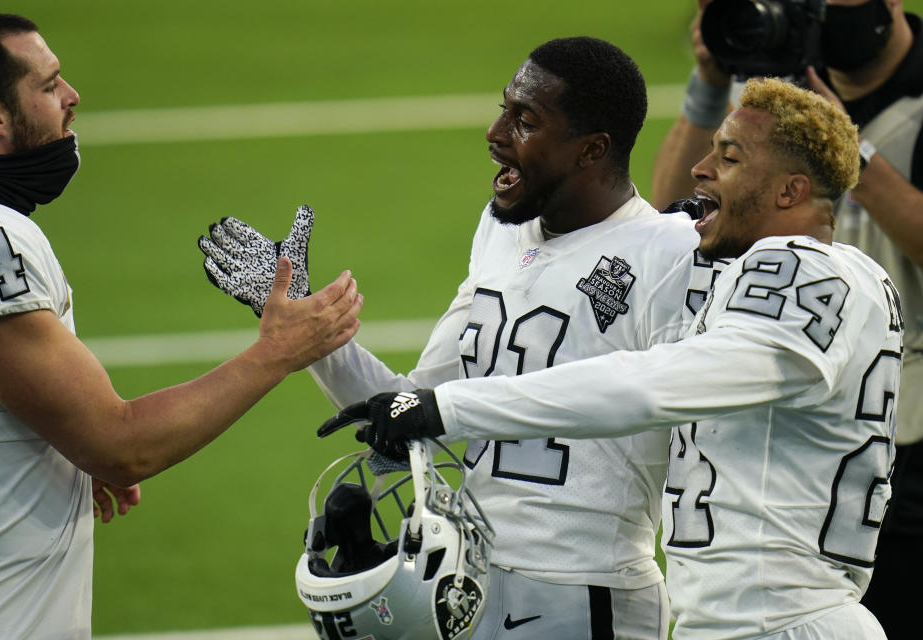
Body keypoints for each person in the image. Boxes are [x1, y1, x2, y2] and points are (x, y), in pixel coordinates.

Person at [328, 77, 902, 639]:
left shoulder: (805, 269)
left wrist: (448, 407)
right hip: (741, 618)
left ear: (789, 192)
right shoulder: (799, 279)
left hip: (781, 620)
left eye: (728, 159)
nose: (701, 170)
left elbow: (652, 386)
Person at [201, 37, 727, 640]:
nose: (495, 132)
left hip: (589, 593)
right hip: (470, 587)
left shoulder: (674, 251)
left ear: (592, 150)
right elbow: (413, 405)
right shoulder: (503, 232)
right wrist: (307, 327)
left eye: (525, 121)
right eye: (505, 109)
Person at [0, 13, 363, 640]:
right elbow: (124, 446)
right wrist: (278, 350)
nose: (73, 98)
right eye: (49, 85)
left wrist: (54, 438)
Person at [650, 2, 923, 635]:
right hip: (809, 413)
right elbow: (677, 214)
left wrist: (841, 149)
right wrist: (711, 82)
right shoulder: (779, 95)